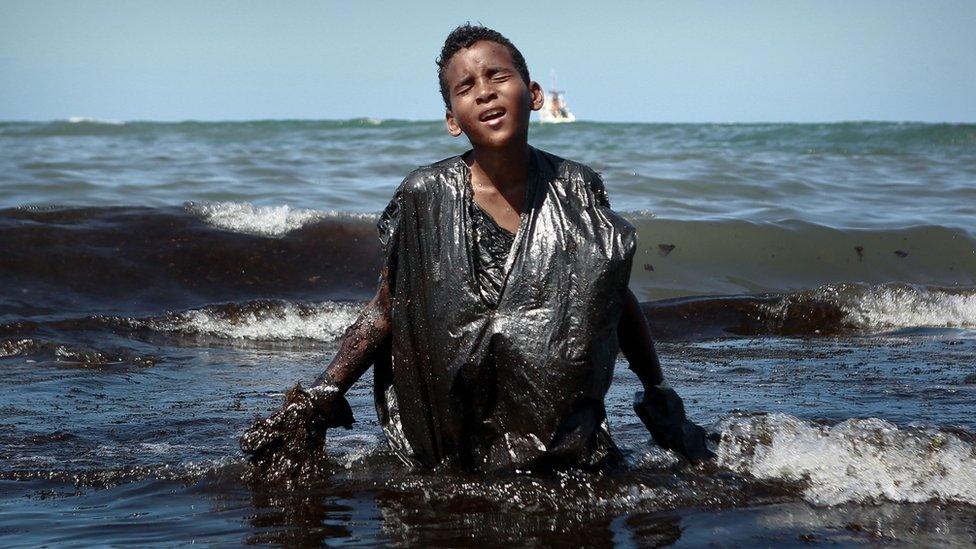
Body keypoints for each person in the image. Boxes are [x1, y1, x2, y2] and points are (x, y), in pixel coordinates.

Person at [241, 24, 713, 478]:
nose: (484, 91)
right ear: (452, 119)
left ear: (533, 95)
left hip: (564, 446)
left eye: (498, 76)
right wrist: (322, 395)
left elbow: (612, 297)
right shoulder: (424, 195)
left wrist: (658, 391)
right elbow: (388, 309)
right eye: (465, 87)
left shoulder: (577, 187)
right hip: (456, 449)